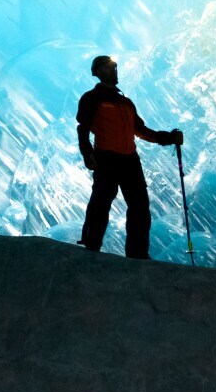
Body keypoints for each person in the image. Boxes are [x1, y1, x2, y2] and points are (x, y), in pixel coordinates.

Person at [76, 54, 183, 259]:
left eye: (114, 67)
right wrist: (87, 153)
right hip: (106, 157)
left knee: (139, 207)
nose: (113, 70)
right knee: (102, 202)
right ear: (97, 72)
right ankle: (92, 245)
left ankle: (137, 254)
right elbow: (83, 128)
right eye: (108, 67)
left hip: (129, 160)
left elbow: (141, 130)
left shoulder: (126, 102)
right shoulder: (91, 98)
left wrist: (169, 138)